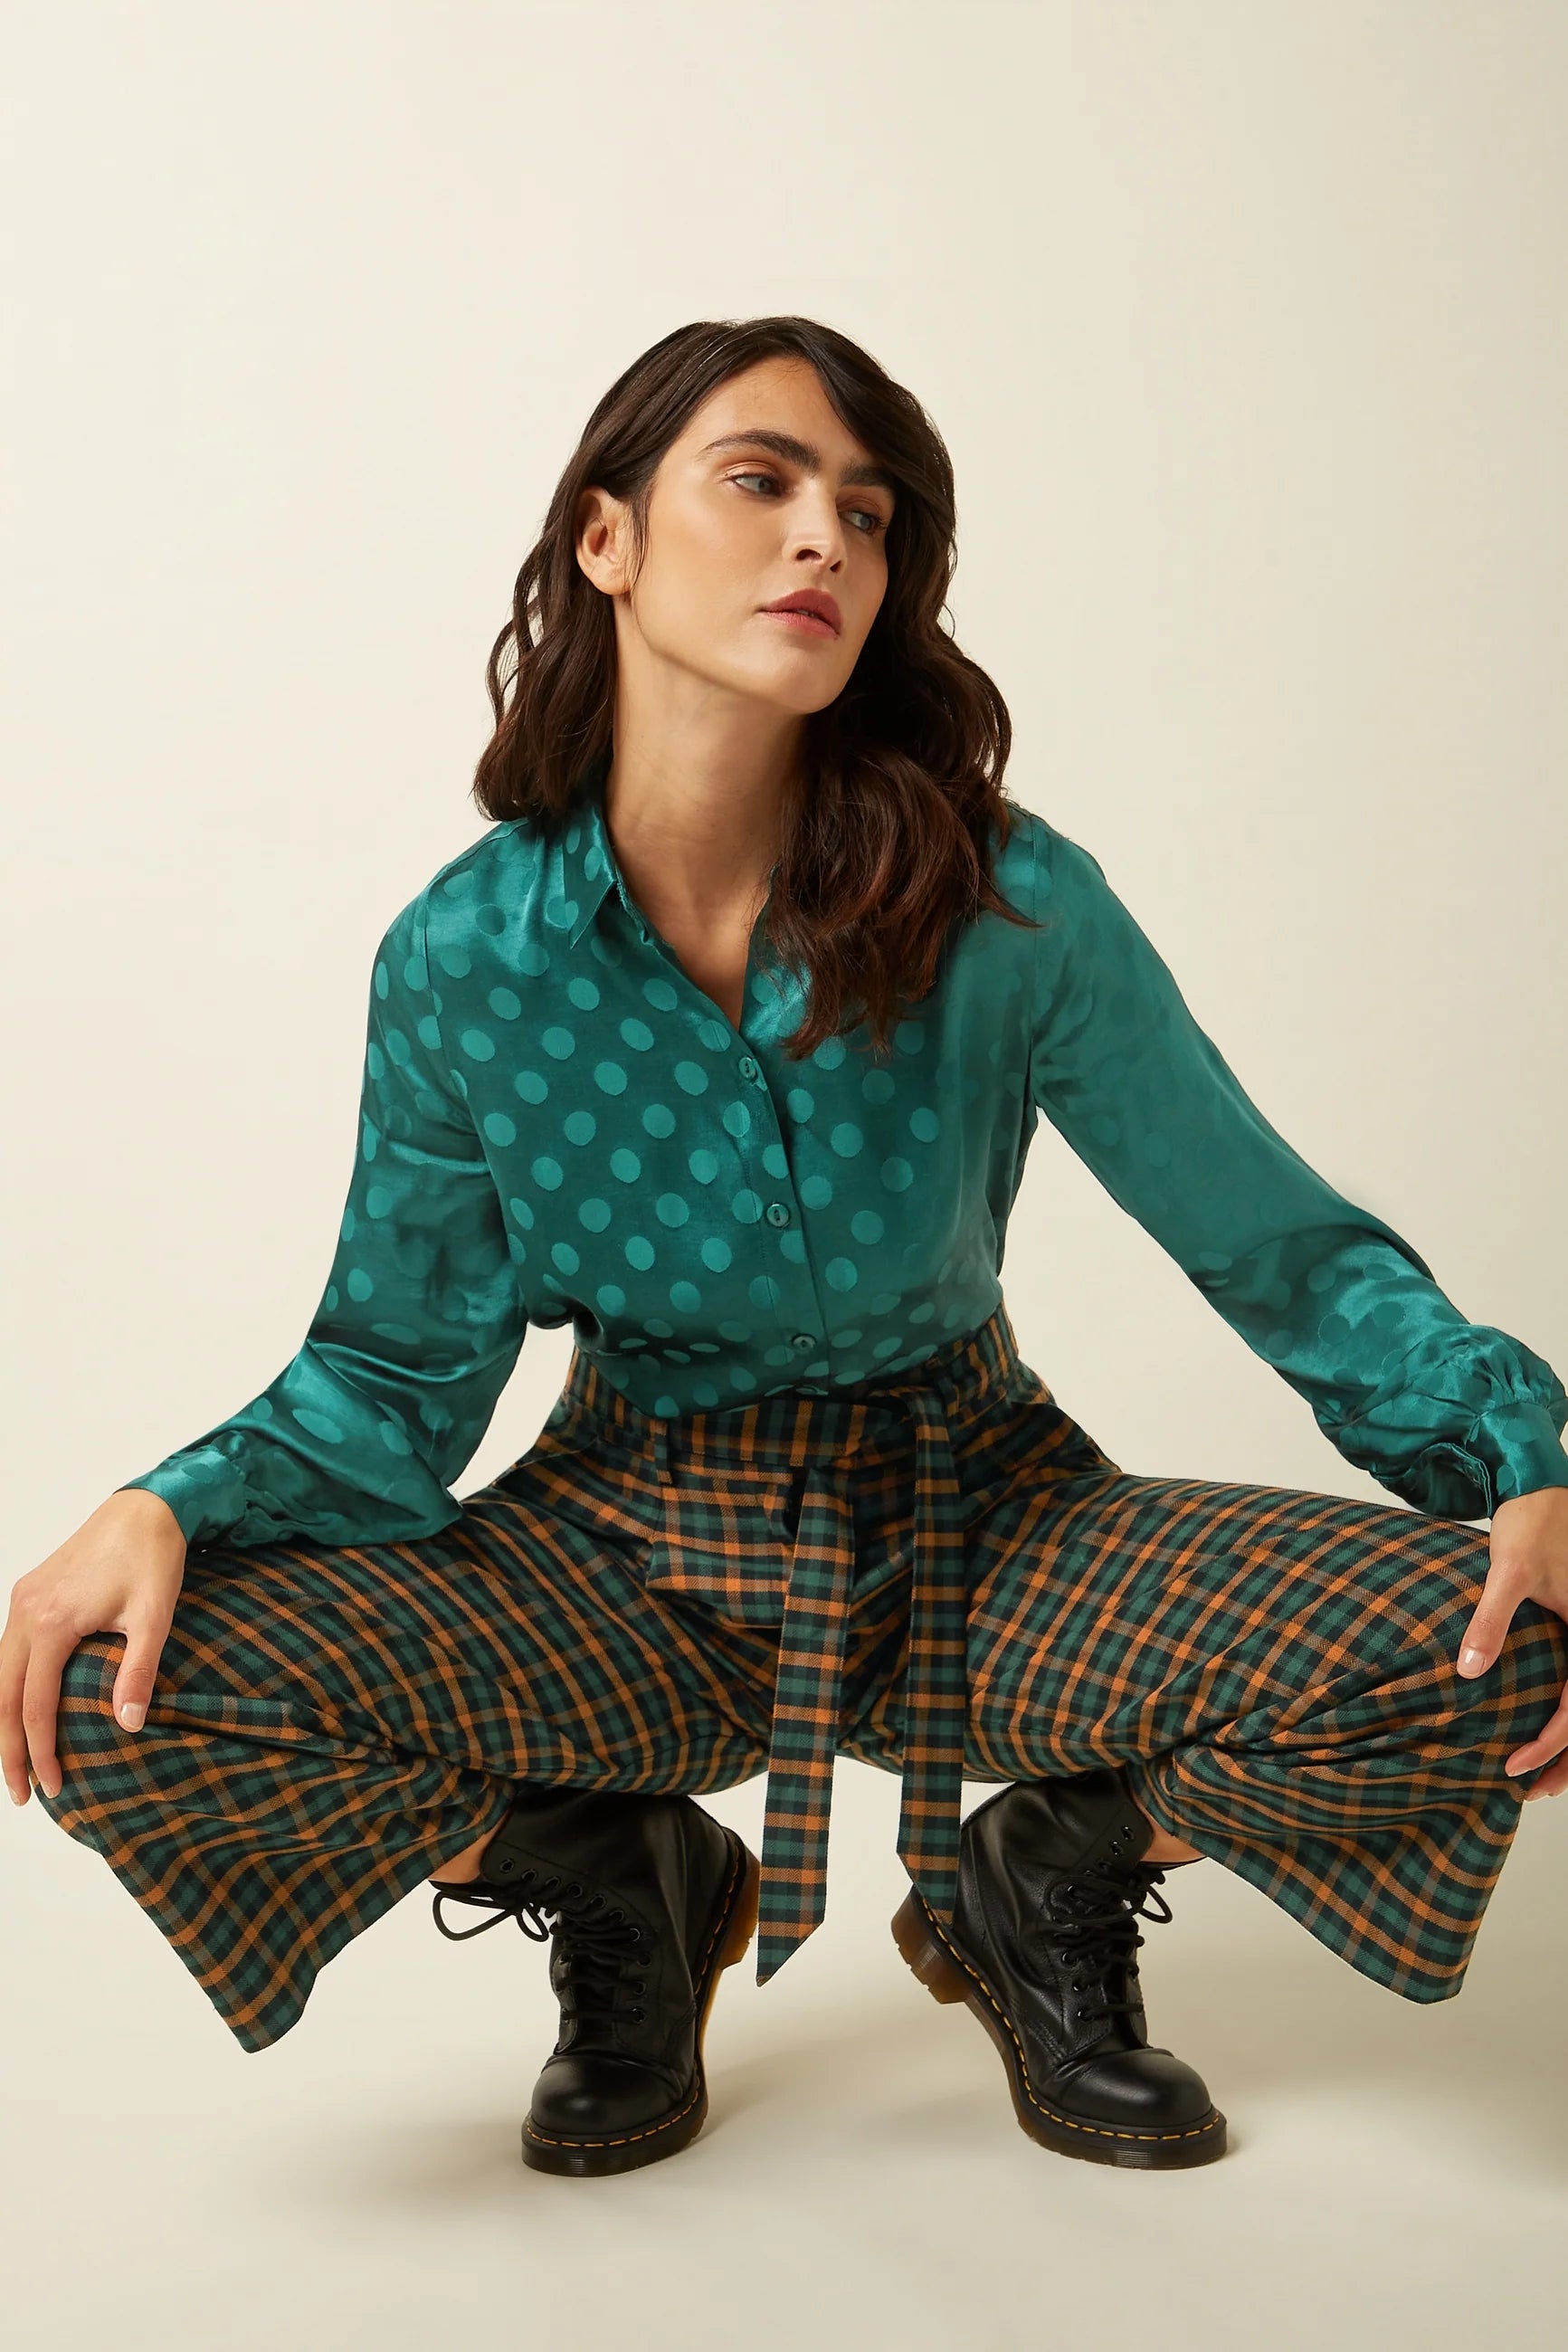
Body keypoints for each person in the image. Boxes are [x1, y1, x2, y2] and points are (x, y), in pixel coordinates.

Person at [7, 317, 1568, 2181]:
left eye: (868, 512)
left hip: (987, 1529)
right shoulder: (466, 958)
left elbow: (1276, 1246)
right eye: (760, 481)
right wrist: (166, 1501)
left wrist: (1515, 1458)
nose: (825, 537)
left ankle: (1040, 1877)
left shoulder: (1009, 903)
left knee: (1522, 1645)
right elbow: (394, 1373)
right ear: (606, 539)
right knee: (104, 1690)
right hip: (620, 1555)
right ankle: (622, 1880)